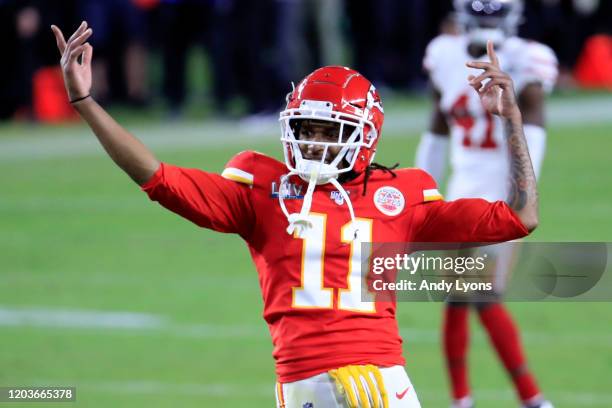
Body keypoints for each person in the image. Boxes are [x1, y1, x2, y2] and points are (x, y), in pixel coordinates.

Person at [52, 20, 539, 408]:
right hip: (328, 385)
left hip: (360, 382)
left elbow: (518, 219)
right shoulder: (262, 190)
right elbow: (159, 178)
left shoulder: (399, 194)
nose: (314, 142)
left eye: (330, 131)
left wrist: (512, 121)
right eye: (306, 127)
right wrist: (85, 102)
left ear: (364, 136)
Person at [415, 1, 558, 408]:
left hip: (491, 196)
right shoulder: (450, 54)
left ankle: (482, 398)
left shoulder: (456, 54)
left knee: (473, 294)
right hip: (469, 194)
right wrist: (421, 196)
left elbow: (437, 133)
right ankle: (523, 398)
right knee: (471, 294)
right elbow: (439, 127)